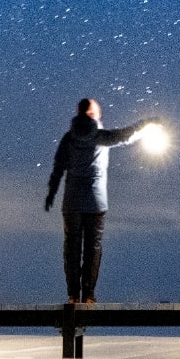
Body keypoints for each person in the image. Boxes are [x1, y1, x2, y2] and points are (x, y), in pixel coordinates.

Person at [43, 98, 155, 304]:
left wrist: (52, 192)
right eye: (98, 111)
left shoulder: (68, 138)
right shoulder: (100, 136)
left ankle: (72, 296)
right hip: (95, 203)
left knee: (71, 249)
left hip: (72, 203)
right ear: (92, 114)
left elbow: (58, 166)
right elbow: (126, 135)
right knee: (92, 249)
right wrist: (147, 123)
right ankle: (88, 295)